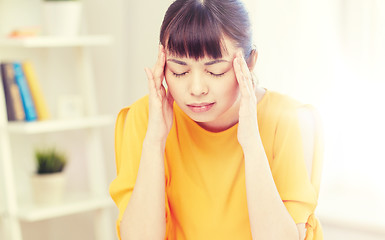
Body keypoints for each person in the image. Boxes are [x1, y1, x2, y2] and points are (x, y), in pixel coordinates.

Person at [109, 0, 324, 239]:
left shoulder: (287, 120)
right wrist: (154, 142)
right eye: (179, 71)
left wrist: (252, 143)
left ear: (250, 62)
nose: (197, 88)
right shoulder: (146, 118)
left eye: (215, 71)